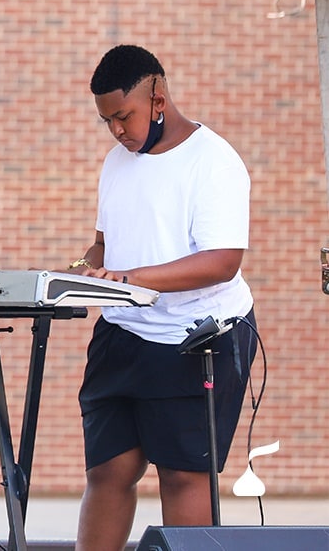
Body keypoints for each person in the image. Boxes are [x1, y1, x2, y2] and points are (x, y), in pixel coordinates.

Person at [68, 44, 257, 551]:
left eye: (123, 116)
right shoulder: (117, 161)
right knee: (109, 470)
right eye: (106, 120)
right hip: (124, 333)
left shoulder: (213, 160)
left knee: (181, 475)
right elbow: (106, 242)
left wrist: (131, 278)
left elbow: (222, 261)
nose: (116, 131)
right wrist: (90, 267)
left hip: (197, 337)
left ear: (158, 97)